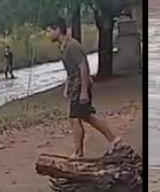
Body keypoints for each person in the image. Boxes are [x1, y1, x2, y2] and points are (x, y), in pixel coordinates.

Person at [47, 17, 121, 158]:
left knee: (75, 118)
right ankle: (113, 139)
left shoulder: (72, 45)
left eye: (50, 30)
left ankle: (79, 152)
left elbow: (84, 66)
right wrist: (67, 85)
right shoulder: (64, 47)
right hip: (75, 87)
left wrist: (83, 91)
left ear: (58, 30)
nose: (48, 34)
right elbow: (72, 69)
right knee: (86, 117)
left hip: (80, 86)